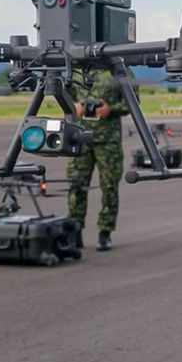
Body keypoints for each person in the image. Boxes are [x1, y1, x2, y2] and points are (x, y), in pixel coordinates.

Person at [66, 69, 135, 251]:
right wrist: (74, 107)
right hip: (80, 137)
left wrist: (110, 109)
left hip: (108, 140)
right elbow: (62, 95)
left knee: (109, 186)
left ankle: (105, 232)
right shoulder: (74, 71)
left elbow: (132, 102)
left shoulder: (119, 69)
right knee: (76, 184)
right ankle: (75, 231)